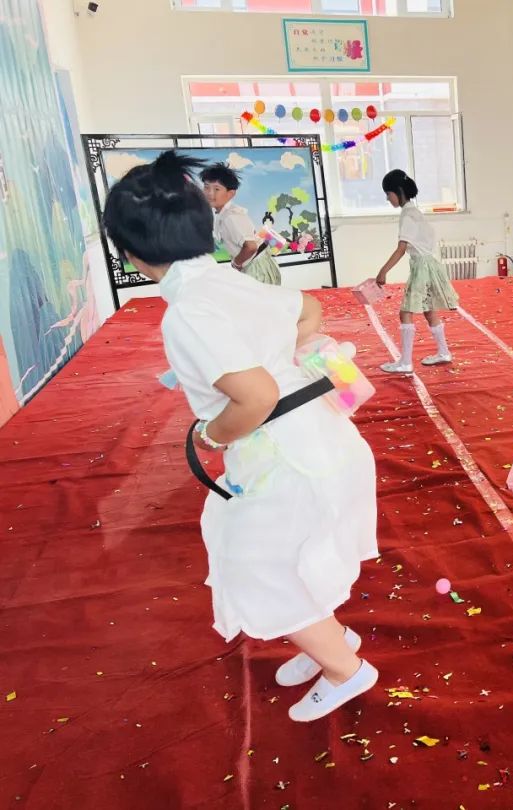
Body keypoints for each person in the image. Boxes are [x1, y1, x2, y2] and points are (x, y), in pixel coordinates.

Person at [103, 151, 379, 722]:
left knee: (261, 567)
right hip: (321, 441)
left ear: (129, 251)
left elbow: (254, 398)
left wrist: (209, 434)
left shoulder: (189, 311)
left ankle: (347, 671)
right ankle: (330, 640)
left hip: (289, 457)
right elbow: (311, 309)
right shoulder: (226, 282)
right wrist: (285, 360)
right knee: (295, 554)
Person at [375, 169, 459, 374]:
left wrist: (383, 271)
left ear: (398, 191)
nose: (387, 198)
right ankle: (443, 352)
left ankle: (405, 362)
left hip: (422, 266)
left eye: (388, 193)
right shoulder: (415, 212)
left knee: (406, 312)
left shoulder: (408, 215)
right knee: (429, 310)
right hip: (429, 264)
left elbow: (402, 248)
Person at [200, 163, 282, 286]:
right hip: (254, 263)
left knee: (254, 303)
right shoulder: (223, 213)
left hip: (256, 267)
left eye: (217, 189)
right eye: (206, 187)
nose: (210, 193)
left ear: (231, 193)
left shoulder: (231, 216)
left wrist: (236, 264)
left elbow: (251, 246)